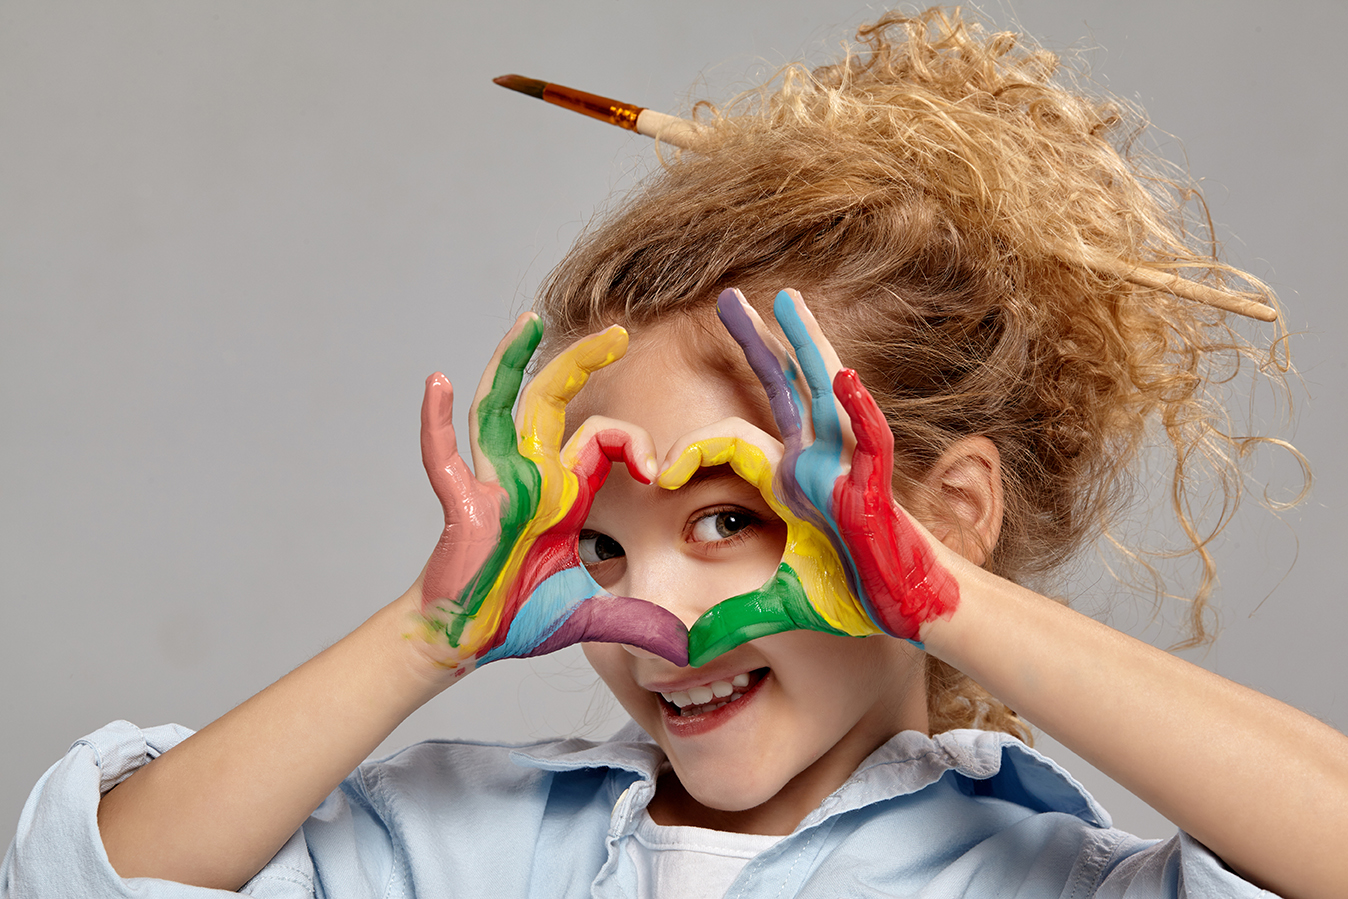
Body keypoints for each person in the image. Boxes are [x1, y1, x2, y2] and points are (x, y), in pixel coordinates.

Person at [5, 8, 1347, 898]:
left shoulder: (1044, 877)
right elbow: (88, 877)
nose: (656, 615)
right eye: (599, 539)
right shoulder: (477, 844)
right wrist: (427, 633)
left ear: (946, 514)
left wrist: (944, 601)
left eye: (727, 521)